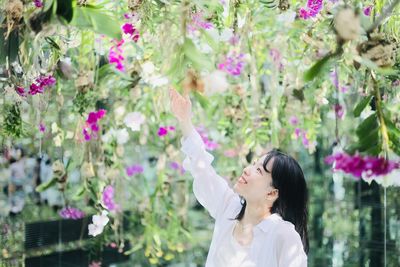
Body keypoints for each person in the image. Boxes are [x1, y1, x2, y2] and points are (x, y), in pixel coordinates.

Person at [169, 88, 308, 267]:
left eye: (259, 171)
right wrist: (184, 120)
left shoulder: (283, 236)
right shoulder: (228, 208)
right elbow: (202, 169)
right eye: (254, 164)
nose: (247, 170)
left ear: (272, 193)